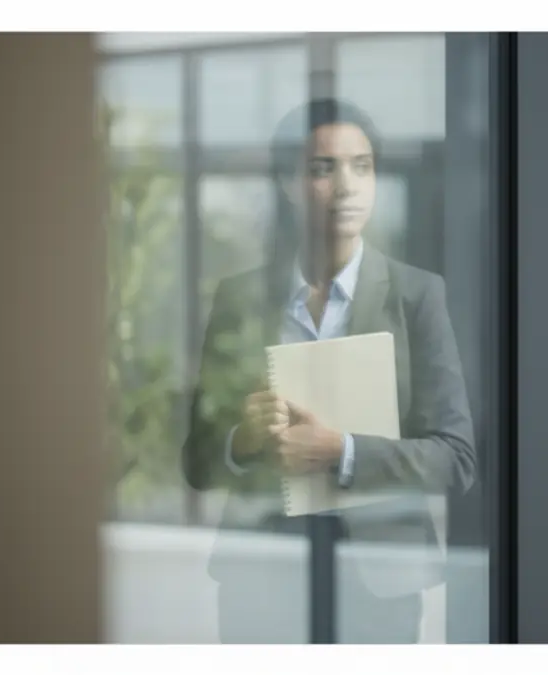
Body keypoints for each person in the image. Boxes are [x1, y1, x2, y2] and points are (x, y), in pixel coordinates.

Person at [182, 98, 476, 644]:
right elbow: (197, 462)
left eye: (362, 166)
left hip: (378, 583)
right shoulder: (239, 298)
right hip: (262, 576)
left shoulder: (417, 297)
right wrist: (242, 441)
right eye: (323, 168)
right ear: (288, 183)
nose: (346, 186)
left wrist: (341, 451)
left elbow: (455, 458)